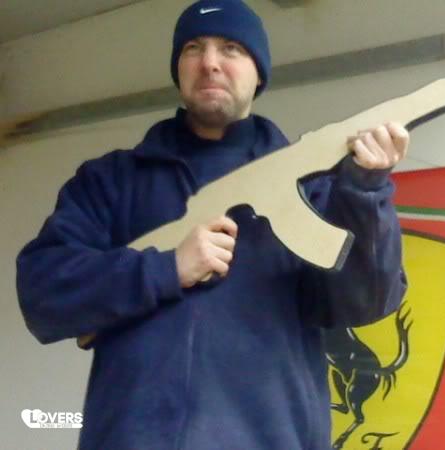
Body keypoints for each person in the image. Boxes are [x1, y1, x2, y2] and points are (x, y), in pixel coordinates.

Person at [16, 0, 409, 449]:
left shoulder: (314, 189)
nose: (210, 63)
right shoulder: (111, 181)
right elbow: (42, 292)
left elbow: (365, 302)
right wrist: (167, 268)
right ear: (178, 69)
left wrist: (365, 190)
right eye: (193, 49)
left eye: (231, 48)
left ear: (259, 73)